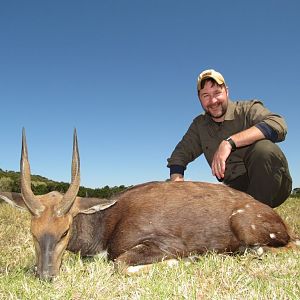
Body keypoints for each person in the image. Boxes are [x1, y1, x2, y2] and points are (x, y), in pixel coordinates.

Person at [167, 69, 292, 208]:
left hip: (273, 184)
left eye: (217, 93)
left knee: (264, 149)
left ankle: (260, 214)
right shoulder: (199, 125)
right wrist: (176, 186)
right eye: (206, 95)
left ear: (226, 91)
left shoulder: (247, 109)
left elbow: (277, 124)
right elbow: (179, 155)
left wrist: (230, 143)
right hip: (235, 190)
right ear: (199, 98)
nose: (213, 101)